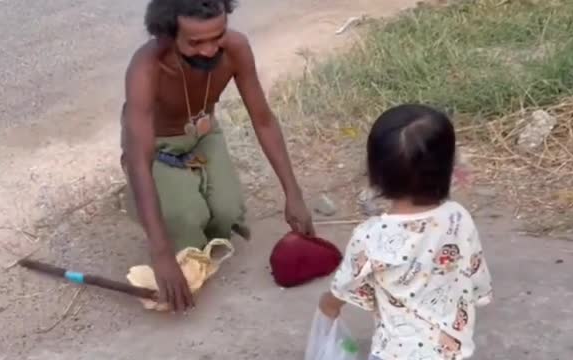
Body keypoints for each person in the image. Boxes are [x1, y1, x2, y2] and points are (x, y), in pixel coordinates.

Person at [120, 0, 314, 313]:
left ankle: (184, 190)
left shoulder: (236, 48)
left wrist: (294, 194)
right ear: (169, 35)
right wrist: (161, 254)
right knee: (187, 224)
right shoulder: (146, 67)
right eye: (196, 42)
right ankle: (138, 200)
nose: (210, 50)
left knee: (226, 216)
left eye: (217, 36)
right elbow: (140, 159)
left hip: (203, 133)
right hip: (156, 145)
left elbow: (263, 120)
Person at [318, 104, 493, 360]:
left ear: (375, 173)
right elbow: (476, 279)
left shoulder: (371, 236)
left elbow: (346, 286)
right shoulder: (459, 218)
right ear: (448, 167)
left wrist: (329, 305)